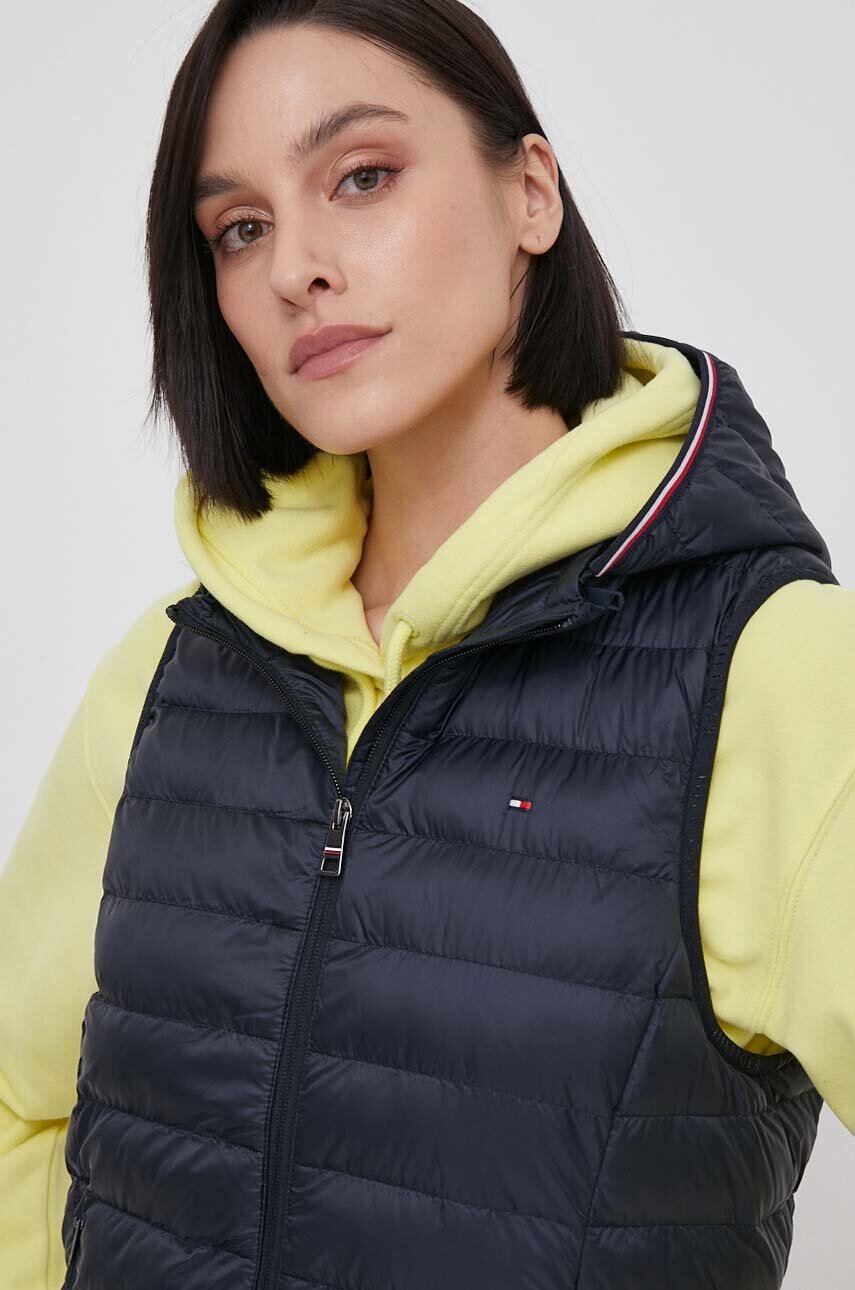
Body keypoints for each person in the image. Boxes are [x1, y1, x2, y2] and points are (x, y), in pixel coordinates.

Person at [2, 2, 853, 1288]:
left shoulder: (773, 675)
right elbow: (18, 1098)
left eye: (362, 176)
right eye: (241, 228)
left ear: (530, 193)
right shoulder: (166, 677)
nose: (294, 268)